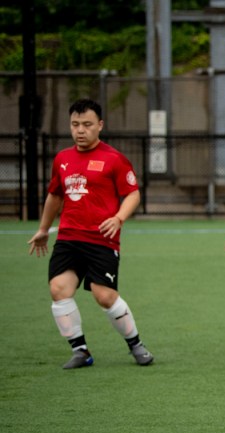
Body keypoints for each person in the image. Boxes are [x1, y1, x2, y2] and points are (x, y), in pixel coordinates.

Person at [27, 98, 154, 369]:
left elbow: (132, 194)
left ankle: (136, 345)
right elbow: (54, 196)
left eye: (86, 124)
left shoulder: (114, 159)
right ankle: (80, 350)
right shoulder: (62, 159)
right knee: (58, 289)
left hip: (101, 239)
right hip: (69, 237)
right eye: (75, 125)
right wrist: (42, 229)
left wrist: (118, 218)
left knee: (104, 295)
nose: (80, 130)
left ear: (100, 125)